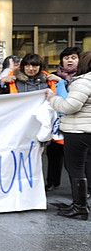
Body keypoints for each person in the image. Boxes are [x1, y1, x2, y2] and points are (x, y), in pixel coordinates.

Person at [46, 51, 91, 220]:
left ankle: (79, 207)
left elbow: (70, 106)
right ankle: (80, 204)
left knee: (75, 169)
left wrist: (53, 99)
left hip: (77, 131)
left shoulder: (84, 81)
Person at [46, 47, 81, 191]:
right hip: (56, 122)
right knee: (53, 153)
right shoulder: (52, 76)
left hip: (76, 123)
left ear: (79, 60)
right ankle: (52, 182)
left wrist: (61, 81)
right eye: (66, 58)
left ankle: (79, 189)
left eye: (73, 57)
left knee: (76, 159)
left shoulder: (83, 77)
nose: (70, 60)